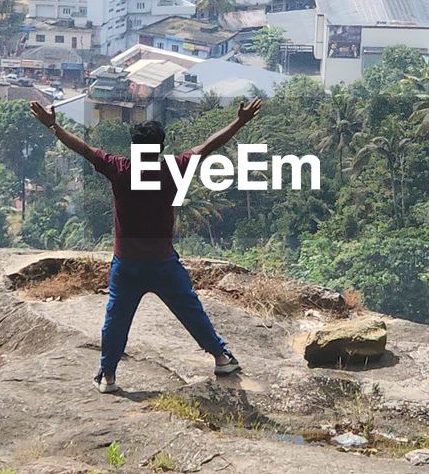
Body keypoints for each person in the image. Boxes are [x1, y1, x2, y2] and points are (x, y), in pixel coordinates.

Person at [30, 98, 262, 392]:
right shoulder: (174, 168)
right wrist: (240, 121)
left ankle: (108, 376)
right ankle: (220, 357)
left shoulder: (119, 168)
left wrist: (53, 126)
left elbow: (83, 149)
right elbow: (208, 146)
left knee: (116, 319)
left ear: (134, 147)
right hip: (162, 262)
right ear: (160, 148)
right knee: (190, 310)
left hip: (126, 264)